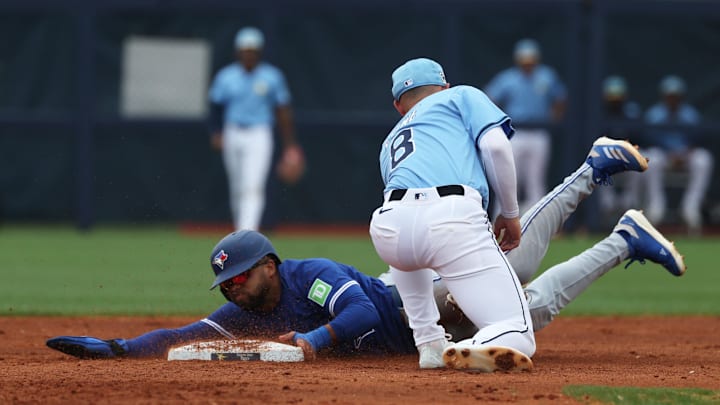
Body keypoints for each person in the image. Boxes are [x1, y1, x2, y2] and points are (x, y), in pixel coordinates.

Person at [46, 137, 685, 373]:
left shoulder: (310, 279)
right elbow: (190, 333)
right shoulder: (251, 312)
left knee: (513, 264)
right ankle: (623, 239)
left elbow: (357, 317)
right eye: (228, 287)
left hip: (418, 296)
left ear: (267, 263)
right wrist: (120, 349)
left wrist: (312, 344)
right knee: (533, 309)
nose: (234, 292)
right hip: (420, 336)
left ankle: (590, 170)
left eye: (240, 278)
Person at [208, 26, 305, 231]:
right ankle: (240, 231)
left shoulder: (271, 76)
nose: (248, 55)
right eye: (245, 51)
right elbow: (215, 106)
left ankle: (247, 232)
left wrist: (290, 145)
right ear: (238, 52)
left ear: (259, 53)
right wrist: (216, 132)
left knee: (253, 184)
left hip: (259, 133)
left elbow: (283, 110)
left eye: (252, 51)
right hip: (233, 131)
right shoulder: (227, 76)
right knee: (236, 186)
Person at [484, 39, 567, 214]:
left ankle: (535, 221)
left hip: (539, 132)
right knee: (508, 177)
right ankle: (501, 218)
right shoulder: (508, 79)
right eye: (524, 60)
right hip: (515, 132)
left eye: (530, 60)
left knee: (535, 180)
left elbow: (560, 98)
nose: (527, 64)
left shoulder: (546, 76)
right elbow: (490, 97)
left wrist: (553, 118)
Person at [624, 75, 713, 233]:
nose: (673, 100)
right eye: (670, 96)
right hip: (664, 155)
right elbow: (648, 138)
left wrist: (685, 152)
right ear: (664, 96)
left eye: (676, 96)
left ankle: (690, 208)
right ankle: (656, 207)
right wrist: (670, 154)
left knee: (703, 159)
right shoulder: (655, 114)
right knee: (652, 158)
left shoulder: (689, 114)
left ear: (681, 97)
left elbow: (699, 137)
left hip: (685, 156)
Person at [596, 75, 643, 216]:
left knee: (644, 158)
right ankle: (607, 205)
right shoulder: (600, 113)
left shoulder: (631, 112)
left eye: (618, 97)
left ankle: (629, 203)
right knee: (596, 161)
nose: (615, 100)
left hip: (628, 158)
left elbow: (640, 137)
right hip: (608, 159)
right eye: (612, 97)